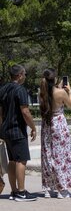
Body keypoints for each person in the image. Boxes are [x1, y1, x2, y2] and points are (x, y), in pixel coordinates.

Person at [0, 64, 37, 201]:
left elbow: (0, 112)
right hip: (17, 130)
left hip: (5, 131)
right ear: (20, 75)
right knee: (21, 160)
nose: (25, 77)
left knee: (12, 160)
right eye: (25, 74)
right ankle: (21, 192)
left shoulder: (3, 89)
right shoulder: (20, 90)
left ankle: (14, 191)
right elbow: (25, 111)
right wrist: (33, 127)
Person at [39, 68, 71, 199]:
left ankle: (48, 188)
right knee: (60, 156)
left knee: (48, 155)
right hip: (58, 124)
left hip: (46, 124)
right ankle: (62, 189)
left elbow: (49, 96)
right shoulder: (60, 93)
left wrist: (57, 87)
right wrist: (69, 90)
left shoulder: (41, 93)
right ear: (54, 79)